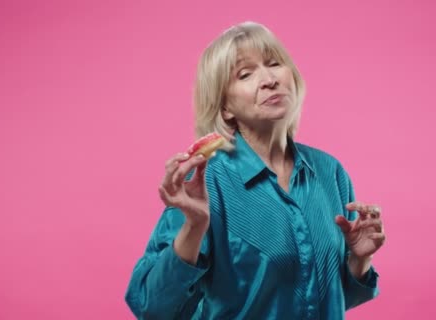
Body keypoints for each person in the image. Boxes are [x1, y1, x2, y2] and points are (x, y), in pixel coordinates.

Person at [125, 21, 386, 320]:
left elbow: (330, 301)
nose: (269, 79)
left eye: (274, 63)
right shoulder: (206, 182)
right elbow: (153, 308)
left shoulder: (330, 172)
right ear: (225, 108)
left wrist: (359, 259)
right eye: (245, 74)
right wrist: (195, 226)